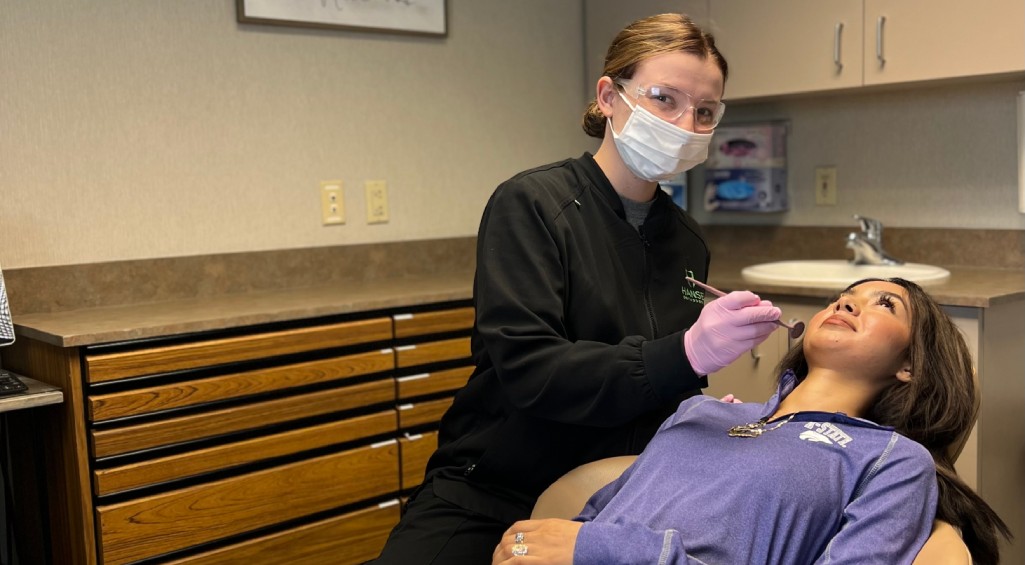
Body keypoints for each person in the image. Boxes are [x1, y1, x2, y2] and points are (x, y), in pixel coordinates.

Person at [371, 13, 783, 564]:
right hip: (497, 488)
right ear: (609, 96)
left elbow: (658, 386)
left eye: (704, 111)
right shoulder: (534, 205)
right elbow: (531, 371)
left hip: (616, 494)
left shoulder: (686, 241)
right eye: (665, 99)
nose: (685, 124)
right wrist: (684, 353)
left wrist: (697, 414)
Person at [492, 278, 1012, 565]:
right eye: (844, 295)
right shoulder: (702, 412)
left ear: (910, 366)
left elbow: (597, 542)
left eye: (885, 303)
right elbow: (593, 520)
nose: (848, 300)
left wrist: (599, 550)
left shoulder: (890, 460)